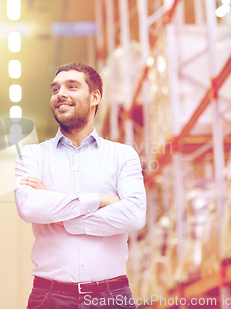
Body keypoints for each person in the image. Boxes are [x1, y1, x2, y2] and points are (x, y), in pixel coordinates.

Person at [14, 62, 146, 309]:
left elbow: (135, 216)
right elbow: (29, 208)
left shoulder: (123, 155)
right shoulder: (32, 156)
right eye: (55, 89)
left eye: (71, 86)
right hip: (50, 296)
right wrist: (101, 199)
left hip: (112, 295)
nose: (60, 94)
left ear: (95, 96)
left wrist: (61, 216)